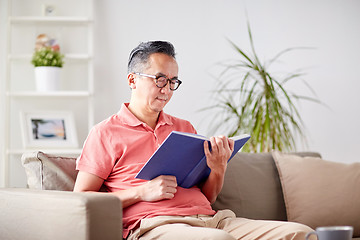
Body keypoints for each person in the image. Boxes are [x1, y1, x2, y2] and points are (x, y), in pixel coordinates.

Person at [74, 41, 313, 240]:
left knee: (301, 234)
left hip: (213, 221)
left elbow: (207, 197)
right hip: (156, 225)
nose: (166, 90)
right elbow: (81, 198)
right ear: (132, 80)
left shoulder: (183, 128)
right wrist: (141, 192)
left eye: (172, 81)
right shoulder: (105, 132)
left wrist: (217, 169)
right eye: (159, 79)